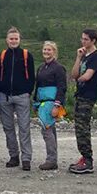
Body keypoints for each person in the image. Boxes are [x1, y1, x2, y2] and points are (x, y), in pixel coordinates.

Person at [0, 26, 36, 171]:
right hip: (4, 97)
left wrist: (27, 91)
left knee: (24, 128)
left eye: (16, 39)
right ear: (7, 40)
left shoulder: (26, 55)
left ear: (19, 40)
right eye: (11, 39)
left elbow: (32, 76)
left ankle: (26, 159)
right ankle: (13, 156)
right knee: (8, 128)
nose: (13, 41)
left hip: (22, 96)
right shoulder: (2, 55)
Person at [68, 29, 97, 174]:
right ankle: (83, 156)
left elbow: (86, 76)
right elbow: (74, 74)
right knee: (79, 128)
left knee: (83, 128)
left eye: (86, 39)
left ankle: (88, 160)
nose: (83, 42)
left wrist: (78, 78)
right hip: (80, 94)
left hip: (89, 95)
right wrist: (78, 58)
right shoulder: (84, 57)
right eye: (82, 39)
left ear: (93, 40)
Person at [33, 41, 67, 171]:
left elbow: (62, 87)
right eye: (45, 49)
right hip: (42, 101)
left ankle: (51, 159)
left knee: (47, 130)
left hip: (51, 102)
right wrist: (35, 101)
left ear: (54, 52)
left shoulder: (58, 68)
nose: (46, 52)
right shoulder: (41, 67)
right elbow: (38, 86)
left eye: (49, 50)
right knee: (49, 130)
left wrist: (57, 105)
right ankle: (52, 158)